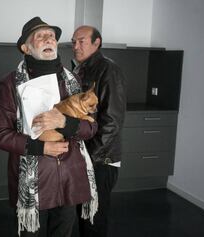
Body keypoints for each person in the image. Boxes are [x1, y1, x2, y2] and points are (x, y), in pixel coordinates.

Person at [0, 17, 99, 237]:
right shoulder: (11, 83)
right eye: (40, 36)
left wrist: (65, 122)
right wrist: (41, 148)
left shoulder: (73, 81)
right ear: (25, 47)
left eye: (52, 36)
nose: (49, 39)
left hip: (70, 176)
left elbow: (91, 129)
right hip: (35, 182)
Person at [72, 26, 126, 237]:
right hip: (85, 157)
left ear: (97, 42)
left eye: (82, 41)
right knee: (84, 214)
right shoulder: (80, 69)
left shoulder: (108, 70)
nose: (76, 46)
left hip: (100, 159)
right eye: (74, 42)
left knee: (94, 217)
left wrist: (90, 157)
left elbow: (112, 121)